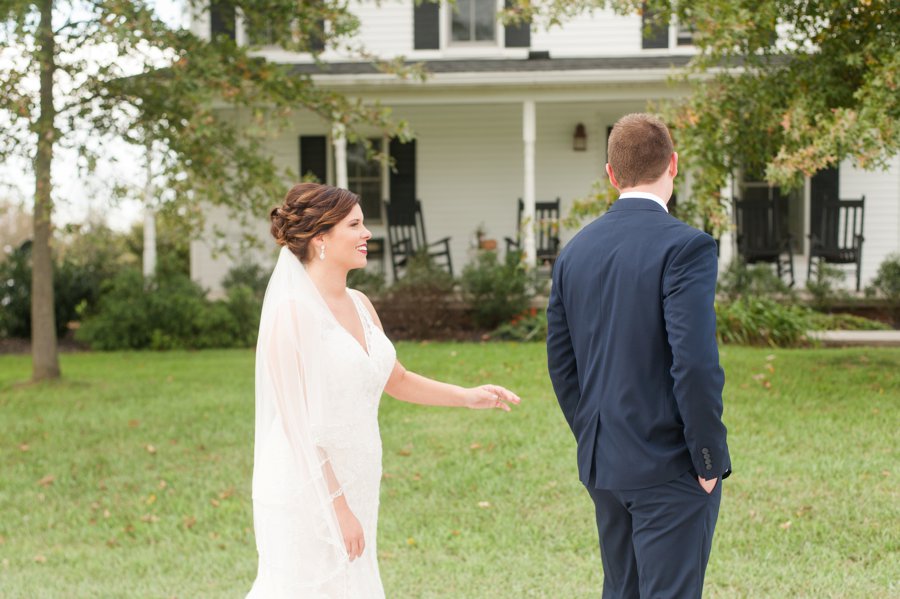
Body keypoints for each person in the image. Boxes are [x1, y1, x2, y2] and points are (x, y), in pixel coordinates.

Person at [247, 183, 519, 598]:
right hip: (306, 488)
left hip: (357, 477)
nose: (367, 233)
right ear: (321, 238)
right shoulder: (292, 316)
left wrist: (466, 395)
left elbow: (398, 379)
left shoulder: (360, 303)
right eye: (355, 225)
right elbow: (296, 424)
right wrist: (336, 506)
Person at [546, 113, 731, 598]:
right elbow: (694, 364)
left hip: (604, 464)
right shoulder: (687, 247)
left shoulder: (575, 251)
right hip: (670, 466)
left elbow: (561, 364)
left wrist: (594, 436)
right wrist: (707, 459)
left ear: (611, 174)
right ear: (673, 164)